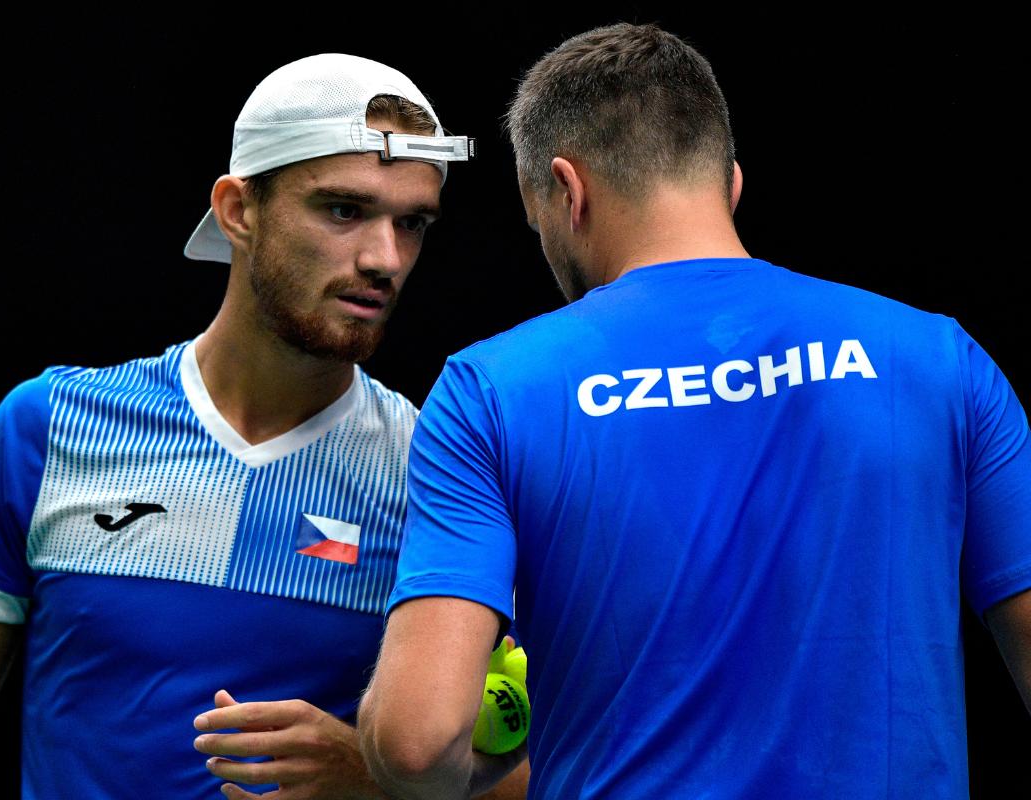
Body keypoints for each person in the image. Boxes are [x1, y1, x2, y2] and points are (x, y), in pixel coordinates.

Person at [358, 22, 1030, 799]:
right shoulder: (936, 357)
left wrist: (480, 759)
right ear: (730, 184)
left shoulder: (490, 391)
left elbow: (414, 744)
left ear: (566, 192)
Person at [0, 53, 527, 800]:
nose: (385, 258)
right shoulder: (49, 428)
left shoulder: (444, 475)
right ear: (239, 210)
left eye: (413, 224)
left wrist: (381, 777)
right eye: (344, 210)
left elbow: (540, 763)